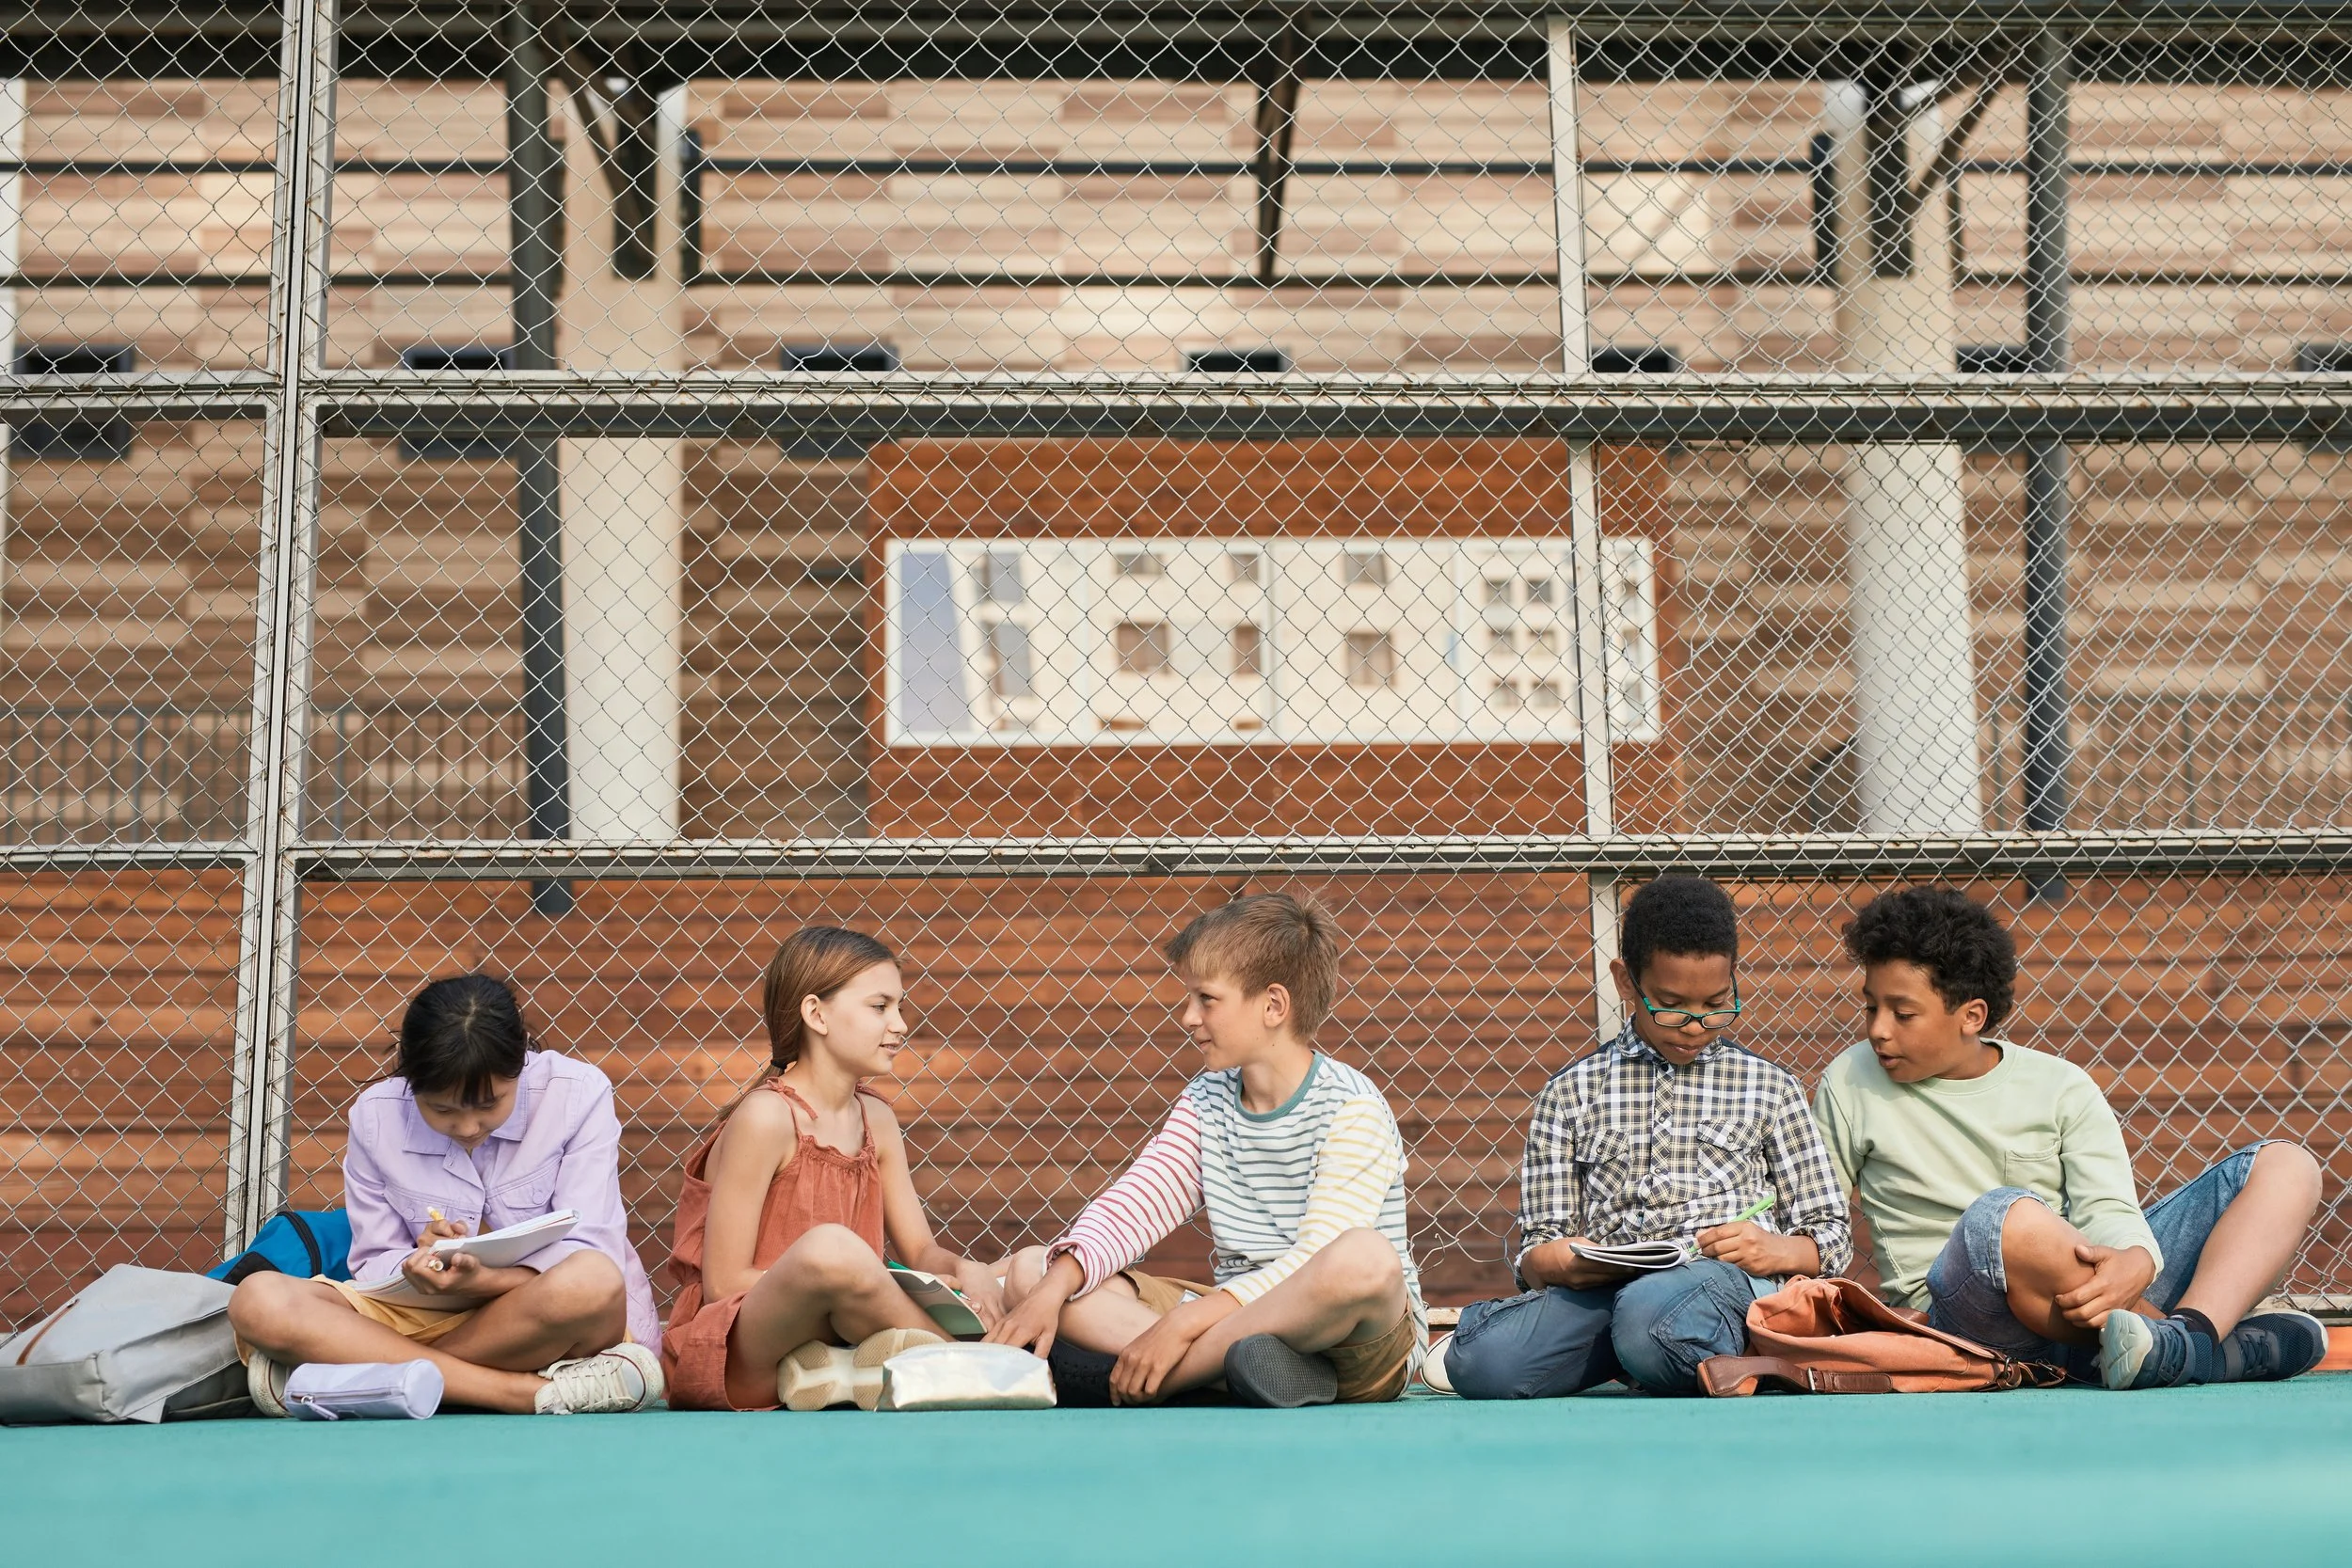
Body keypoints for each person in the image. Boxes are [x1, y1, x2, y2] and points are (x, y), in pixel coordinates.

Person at [1816, 885, 2328, 1389]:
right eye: (1871, 1008)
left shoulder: (2060, 1085)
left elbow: (2106, 1206)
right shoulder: (1850, 1081)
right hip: (1962, 1321)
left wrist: (2136, 1259)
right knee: (2003, 1215)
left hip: (2078, 1301)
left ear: (1972, 1016)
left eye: (1902, 1014)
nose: (1879, 1030)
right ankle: (2202, 1353)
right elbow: (1821, 1220)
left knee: (2287, 1166)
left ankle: (2183, 1342)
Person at [989, 892, 1422, 1409]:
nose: (1188, 1017)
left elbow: (1316, 1258)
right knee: (1032, 1272)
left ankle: (1150, 1380)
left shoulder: (1353, 1108)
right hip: (1234, 1324)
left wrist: (1184, 1323)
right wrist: (1052, 1288)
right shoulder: (1206, 1098)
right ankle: (1234, 1371)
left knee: (1363, 1258)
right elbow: (1138, 1202)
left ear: (1273, 1006)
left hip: (1354, 1344)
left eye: (1207, 999)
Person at [1429, 875, 1852, 1399]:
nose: (1696, 1026)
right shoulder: (1571, 1093)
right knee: (1480, 1365)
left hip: (1723, 1282)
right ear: (1626, 983)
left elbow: (1831, 1233)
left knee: (1649, 1319)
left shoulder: (1771, 1088)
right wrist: (1559, 1260)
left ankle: (1671, 1353)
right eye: (1672, 1006)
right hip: (1612, 1288)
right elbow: (1538, 1246)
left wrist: (1776, 1250)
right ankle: (1672, 1361)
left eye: (1717, 1004)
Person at [228, 974, 664, 1416]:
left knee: (593, 1280)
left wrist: (487, 1281)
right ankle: (525, 1394)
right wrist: (415, 1265)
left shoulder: (578, 1094)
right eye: (442, 1110)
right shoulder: (376, 1116)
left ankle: (367, 1378)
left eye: (490, 1103)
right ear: (410, 1080)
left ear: (521, 1062)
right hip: (420, 1317)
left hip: (538, 1318)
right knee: (258, 1298)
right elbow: (373, 1261)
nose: (469, 1127)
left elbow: (593, 1246)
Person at [662, 925, 1003, 1411]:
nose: (901, 1025)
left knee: (1024, 1268)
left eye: (899, 1007)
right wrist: (862, 1281)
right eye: (880, 1006)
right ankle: (975, 1367)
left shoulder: (877, 1119)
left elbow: (922, 1249)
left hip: (839, 1328)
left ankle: (842, 1373)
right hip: (739, 1353)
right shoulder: (766, 1117)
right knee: (833, 1251)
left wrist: (967, 1271)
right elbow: (724, 1282)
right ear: (816, 1013)